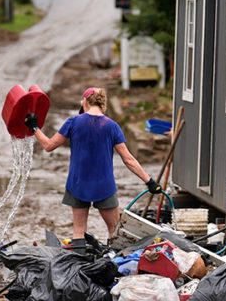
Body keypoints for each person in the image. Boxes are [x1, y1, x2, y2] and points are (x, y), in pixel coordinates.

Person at [25, 87, 159, 250]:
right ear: (102, 105)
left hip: (78, 183)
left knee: (79, 231)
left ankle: (78, 268)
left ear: (85, 102)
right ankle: (113, 264)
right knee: (114, 230)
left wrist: (34, 128)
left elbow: (48, 146)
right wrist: (149, 181)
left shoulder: (73, 122)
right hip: (105, 185)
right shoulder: (112, 126)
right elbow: (128, 159)